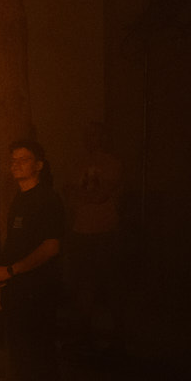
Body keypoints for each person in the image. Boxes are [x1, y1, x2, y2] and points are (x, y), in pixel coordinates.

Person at [0, 139, 70, 381]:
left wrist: (13, 272)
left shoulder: (47, 199)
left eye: (24, 159)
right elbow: (13, 248)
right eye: (13, 160)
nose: (16, 164)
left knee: (34, 354)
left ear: (39, 165)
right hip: (18, 288)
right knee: (22, 355)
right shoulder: (19, 201)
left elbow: (51, 247)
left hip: (39, 290)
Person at [66, 121, 123, 357]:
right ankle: (84, 338)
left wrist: (84, 196)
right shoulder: (77, 162)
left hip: (105, 232)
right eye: (88, 135)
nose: (91, 139)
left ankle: (117, 339)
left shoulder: (112, 164)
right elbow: (67, 191)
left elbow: (101, 194)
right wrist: (86, 196)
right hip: (81, 232)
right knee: (83, 285)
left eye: (96, 135)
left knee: (108, 285)